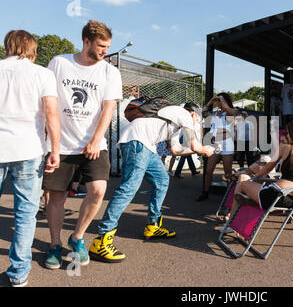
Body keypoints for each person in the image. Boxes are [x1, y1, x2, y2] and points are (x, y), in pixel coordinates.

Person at [88, 103, 215, 263]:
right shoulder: (184, 114)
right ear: (193, 114)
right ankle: (102, 241)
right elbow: (194, 145)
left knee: (162, 180)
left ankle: (153, 226)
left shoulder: (175, 120)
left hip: (145, 146)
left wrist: (200, 149)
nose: (197, 121)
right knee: (128, 189)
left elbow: (175, 150)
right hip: (138, 143)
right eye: (197, 117)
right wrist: (205, 150)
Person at [43, 20, 123, 270]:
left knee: (98, 190)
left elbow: (108, 108)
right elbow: (49, 101)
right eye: (100, 46)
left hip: (94, 143)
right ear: (86, 41)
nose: (104, 51)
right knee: (55, 197)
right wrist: (51, 142)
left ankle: (76, 237)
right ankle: (55, 245)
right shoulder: (59, 63)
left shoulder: (110, 71)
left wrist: (96, 139)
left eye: (108, 46)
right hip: (61, 143)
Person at [0, 30, 60, 287]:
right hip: (29, 149)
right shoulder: (43, 74)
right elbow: (51, 113)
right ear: (33, 49)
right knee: (25, 214)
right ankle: (18, 274)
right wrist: (55, 149)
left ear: (8, 47)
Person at [221, 118, 293, 233]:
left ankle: (231, 223)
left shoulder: (285, 148)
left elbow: (267, 168)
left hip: (273, 196)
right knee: (247, 184)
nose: (287, 136)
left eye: (288, 133)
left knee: (243, 182)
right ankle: (247, 201)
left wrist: (253, 178)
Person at [196, 93, 238, 202]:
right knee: (209, 170)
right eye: (217, 100)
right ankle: (205, 192)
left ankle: (229, 198)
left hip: (227, 144)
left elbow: (228, 109)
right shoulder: (215, 113)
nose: (218, 102)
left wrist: (222, 99)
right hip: (215, 145)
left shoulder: (231, 112)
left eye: (220, 100)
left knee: (227, 173)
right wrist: (210, 101)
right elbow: (203, 112)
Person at [174, 104, 202, 178]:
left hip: (188, 140)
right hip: (187, 141)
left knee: (188, 157)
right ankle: (177, 172)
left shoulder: (191, 118)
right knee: (184, 156)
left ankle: (193, 171)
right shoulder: (186, 119)